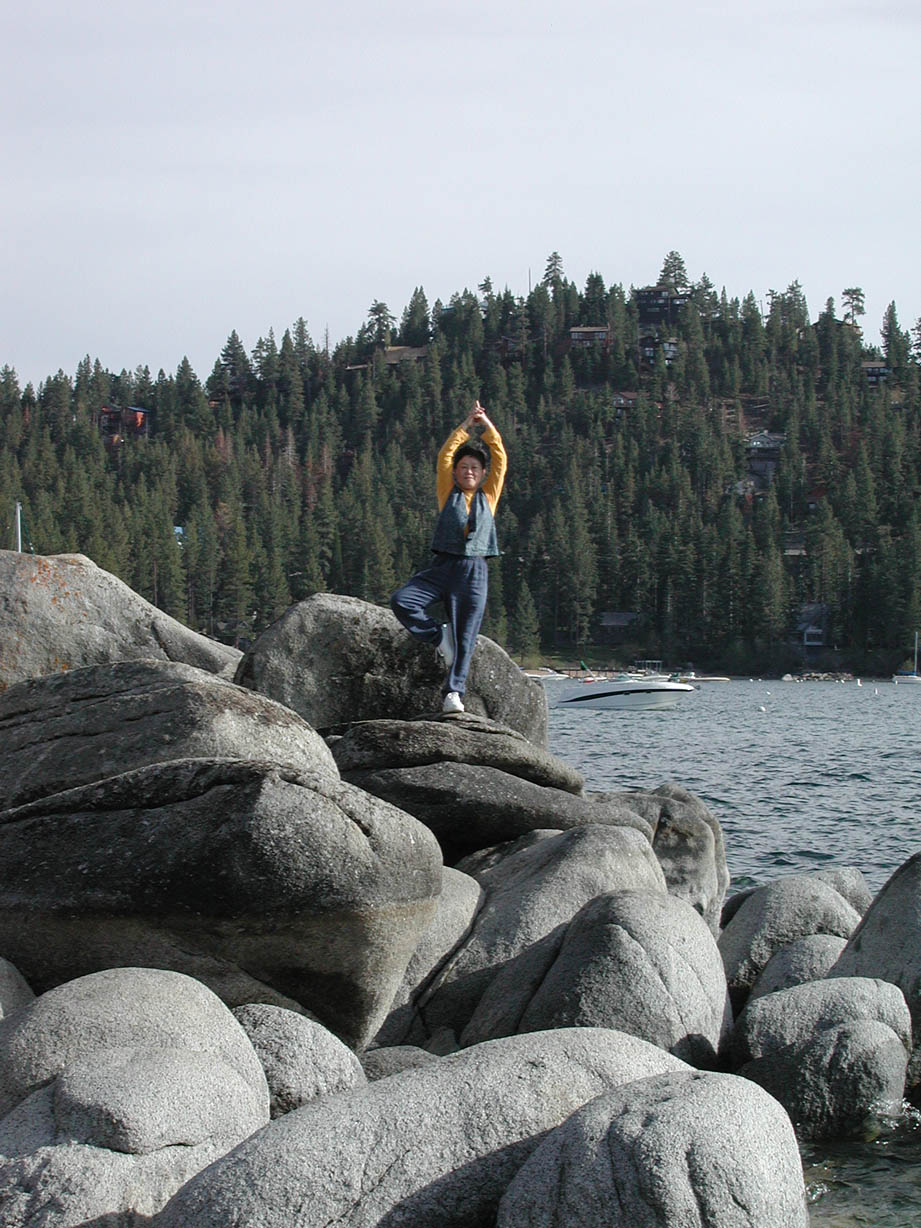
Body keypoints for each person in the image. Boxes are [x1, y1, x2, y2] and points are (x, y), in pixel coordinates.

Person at [390, 401, 507, 712]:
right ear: (456, 472)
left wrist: (487, 426)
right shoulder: (447, 493)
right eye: (463, 467)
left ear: (483, 474)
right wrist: (467, 425)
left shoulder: (489, 496)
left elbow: (500, 457)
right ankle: (437, 636)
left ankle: (453, 693)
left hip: (475, 571)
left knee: (466, 637)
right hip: (444, 567)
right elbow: (445, 455)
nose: (469, 471)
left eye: (475, 468)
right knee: (402, 601)